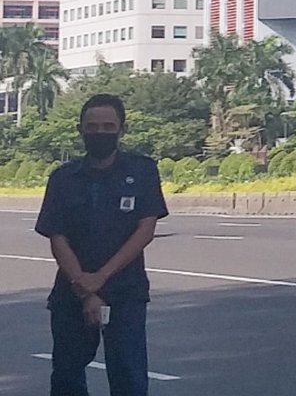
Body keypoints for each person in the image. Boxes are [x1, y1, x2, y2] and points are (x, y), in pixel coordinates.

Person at [35, 94, 169, 396]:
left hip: (126, 293)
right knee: (67, 375)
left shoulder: (142, 170)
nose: (100, 132)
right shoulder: (62, 178)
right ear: (80, 129)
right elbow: (57, 237)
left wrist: (102, 278)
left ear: (122, 129)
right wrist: (84, 286)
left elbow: (145, 230)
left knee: (128, 376)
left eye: (108, 126)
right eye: (92, 126)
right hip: (72, 291)